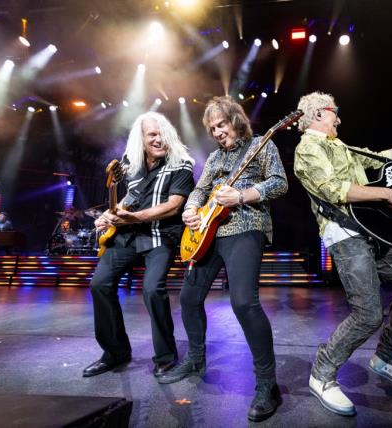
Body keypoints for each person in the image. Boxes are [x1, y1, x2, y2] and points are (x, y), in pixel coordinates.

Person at [293, 91, 392, 416]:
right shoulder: (308, 147)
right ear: (319, 114)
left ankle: (388, 356)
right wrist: (389, 194)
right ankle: (322, 374)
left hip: (374, 231)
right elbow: (334, 189)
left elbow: (381, 157)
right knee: (368, 314)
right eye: (335, 112)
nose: (339, 118)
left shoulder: (340, 145)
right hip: (345, 234)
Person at [157, 96, 288, 422]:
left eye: (221, 124)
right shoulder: (215, 157)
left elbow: (279, 183)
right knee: (188, 298)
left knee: (244, 303)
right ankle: (196, 359)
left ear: (236, 120)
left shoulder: (261, 145)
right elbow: (199, 191)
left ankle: (268, 384)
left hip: (246, 226)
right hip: (208, 234)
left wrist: (242, 195)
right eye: (212, 128)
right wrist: (190, 210)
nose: (217, 132)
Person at [83, 112, 195, 379]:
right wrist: (109, 216)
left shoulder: (182, 164)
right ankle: (115, 353)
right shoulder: (130, 166)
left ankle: (166, 357)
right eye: (151, 134)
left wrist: (131, 217)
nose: (158, 139)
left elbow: (173, 207)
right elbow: (127, 199)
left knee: (152, 290)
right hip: (127, 236)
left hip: (160, 236)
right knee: (99, 284)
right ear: (141, 139)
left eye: (161, 133)